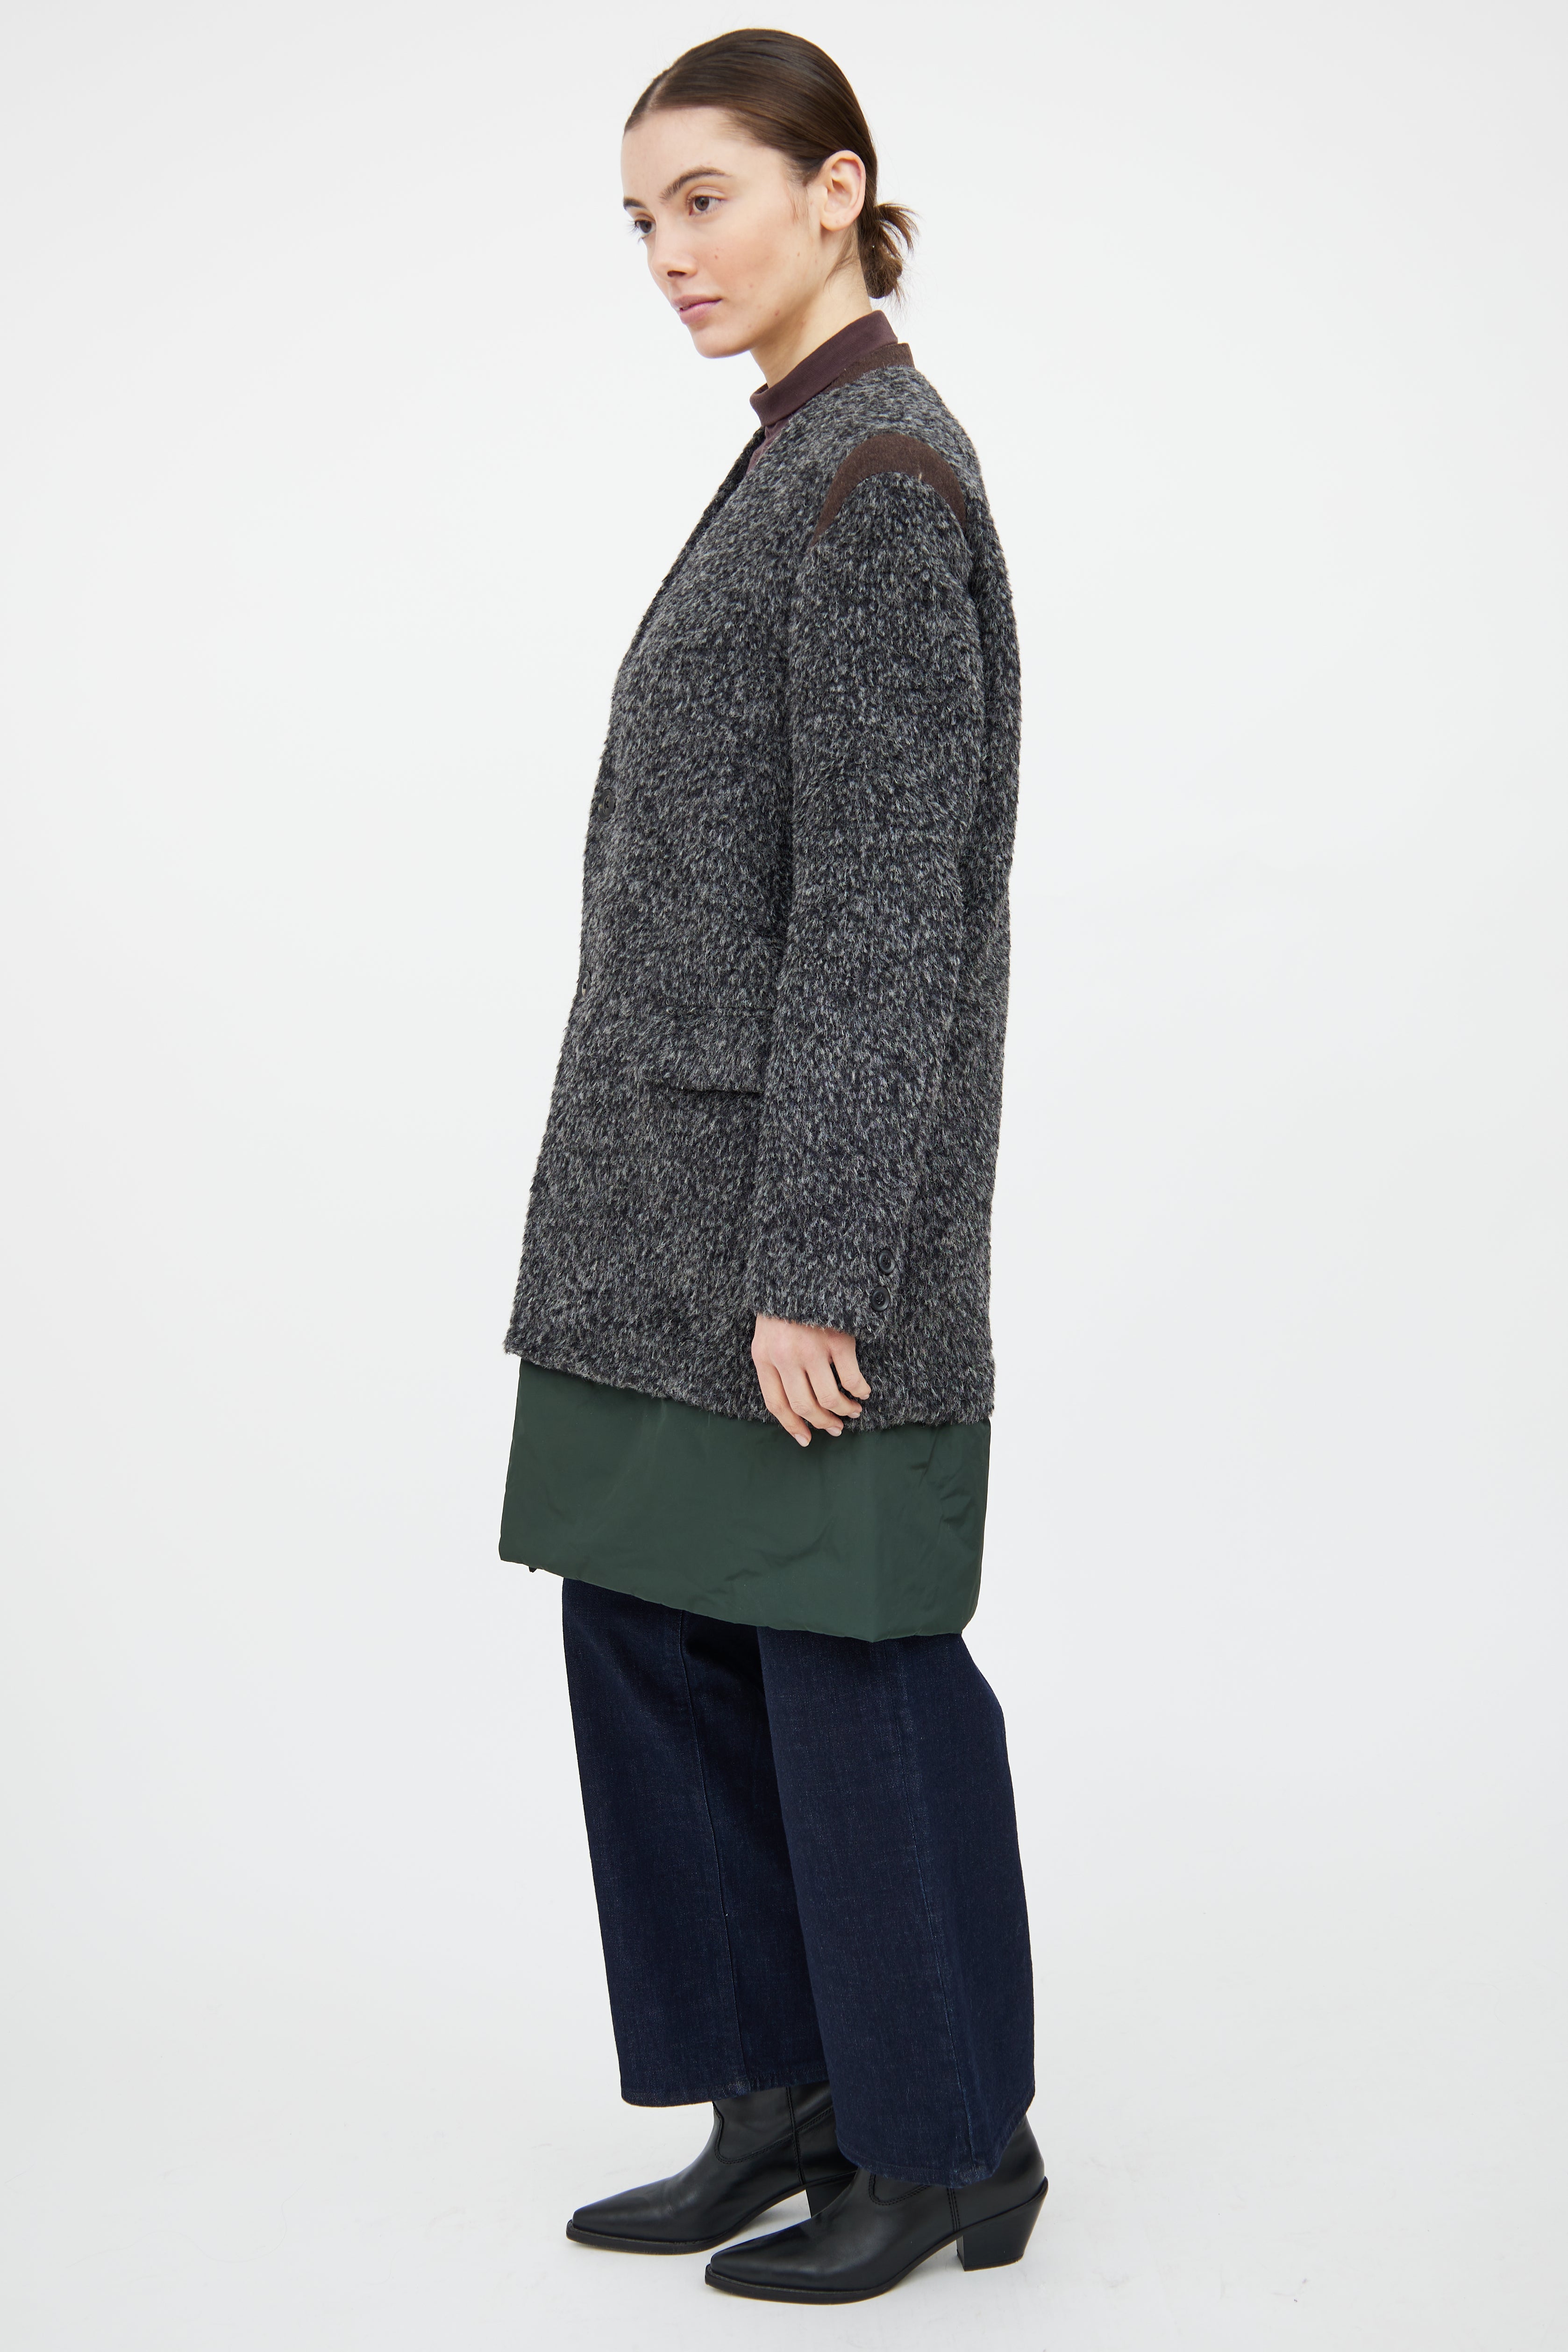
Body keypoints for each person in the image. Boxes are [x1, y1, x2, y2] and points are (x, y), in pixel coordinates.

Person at [498, 29, 1041, 2305]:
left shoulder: (876, 482)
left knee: (846, 1652)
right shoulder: (791, 457)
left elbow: (886, 913)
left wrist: (817, 1256)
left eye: (704, 197)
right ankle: (781, 2096)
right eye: (641, 217)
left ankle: (945, 2138)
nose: (668, 252)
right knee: (648, 1629)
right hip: (653, 1217)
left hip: (783, 1229)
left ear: (837, 190)